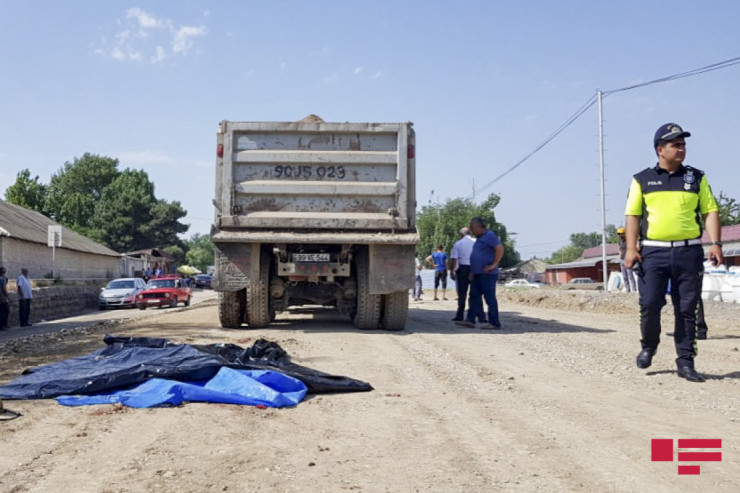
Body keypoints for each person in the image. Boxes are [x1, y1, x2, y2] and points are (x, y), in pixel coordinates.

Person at [624, 123, 722, 383]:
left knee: (687, 309)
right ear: (660, 149)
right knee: (649, 305)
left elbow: (710, 211)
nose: (682, 149)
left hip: (688, 252)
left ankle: (686, 361)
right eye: (675, 145)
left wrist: (715, 243)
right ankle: (649, 345)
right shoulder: (642, 179)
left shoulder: (696, 178)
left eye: (683, 144)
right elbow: (632, 215)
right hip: (653, 253)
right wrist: (632, 249)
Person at [455, 217, 504, 330]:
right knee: (474, 297)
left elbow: (499, 248)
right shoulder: (480, 238)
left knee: (489, 298)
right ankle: (470, 320)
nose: (471, 230)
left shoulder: (490, 236)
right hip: (477, 273)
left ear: (479, 226)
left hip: (487, 274)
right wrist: (472, 271)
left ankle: (494, 323)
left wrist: (494, 264)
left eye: (472, 227)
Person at [450, 227, 475, 321]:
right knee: (474, 294)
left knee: (462, 293)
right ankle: (476, 315)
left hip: (462, 269)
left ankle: (460, 314)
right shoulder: (476, 242)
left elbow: (454, 258)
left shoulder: (458, 243)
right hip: (474, 268)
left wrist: (453, 270)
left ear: (461, 234)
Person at [616, 227, 637, 292]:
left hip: (628, 259)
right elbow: (619, 248)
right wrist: (620, 254)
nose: (620, 235)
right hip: (622, 260)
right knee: (625, 276)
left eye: (621, 234)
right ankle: (628, 289)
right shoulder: (620, 241)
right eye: (619, 234)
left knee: (630, 275)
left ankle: (633, 289)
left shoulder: (629, 240)